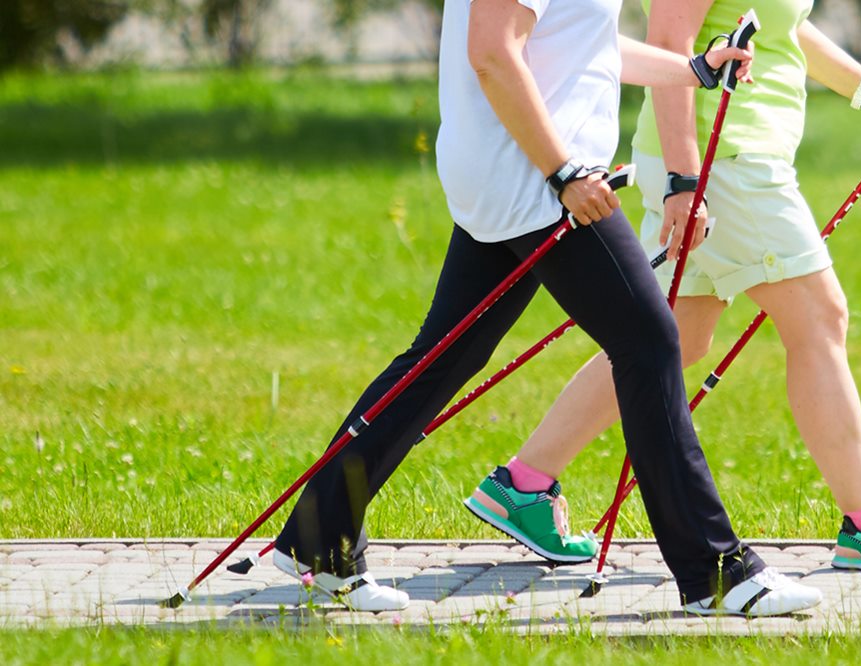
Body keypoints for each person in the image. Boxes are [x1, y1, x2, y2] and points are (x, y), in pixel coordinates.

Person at [270, 0, 823, 615]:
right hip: (540, 182)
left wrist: (691, 69)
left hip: (513, 177)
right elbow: (491, 51)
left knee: (446, 356)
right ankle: (716, 570)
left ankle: (318, 539)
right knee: (648, 342)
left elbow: (583, 45)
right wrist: (562, 173)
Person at [466, 0, 861, 571]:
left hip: (735, 157)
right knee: (819, 318)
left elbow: (784, 24)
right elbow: (669, 37)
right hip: (724, 161)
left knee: (672, 335)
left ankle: (523, 485)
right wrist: (685, 180)